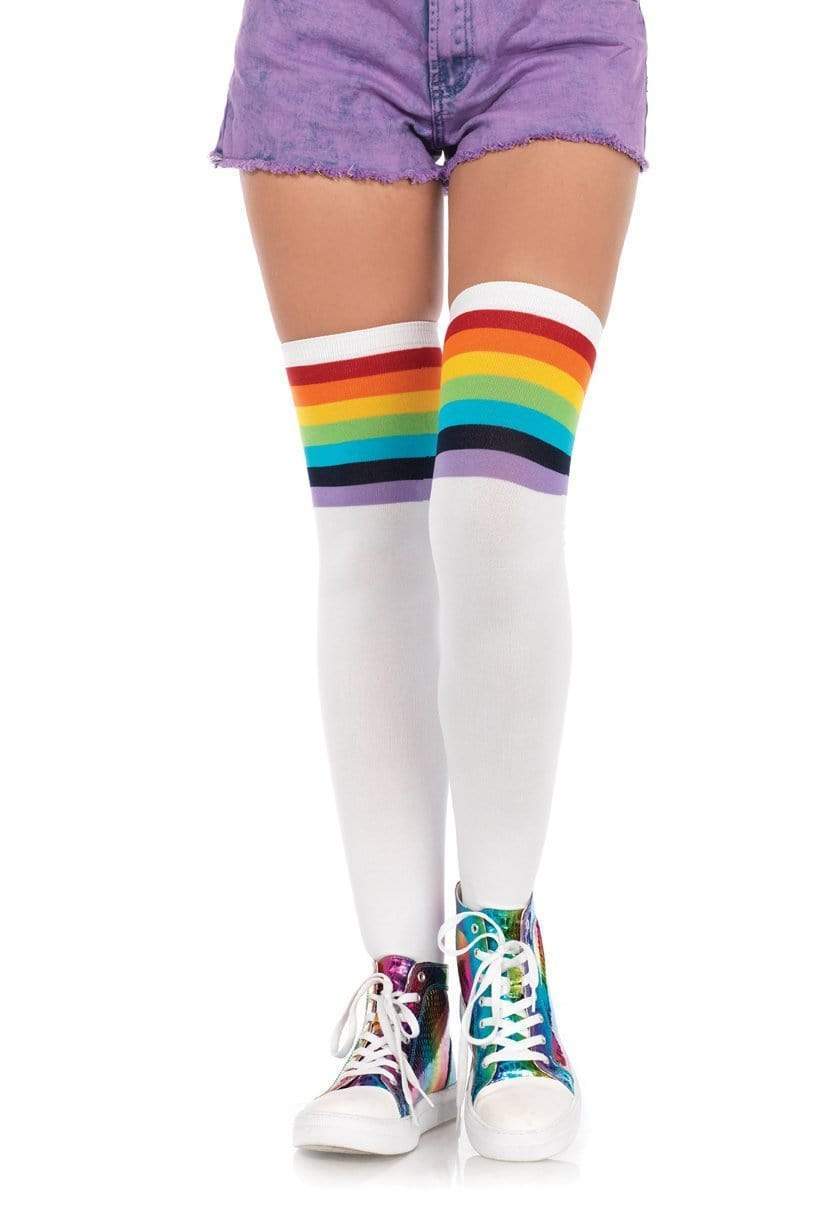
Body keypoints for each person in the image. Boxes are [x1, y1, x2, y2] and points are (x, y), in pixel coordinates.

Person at [212, 0, 647, 1162]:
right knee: (371, 525)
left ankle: (504, 951)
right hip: (325, 34)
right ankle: (412, 1005)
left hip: (554, 30)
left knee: (500, 498)